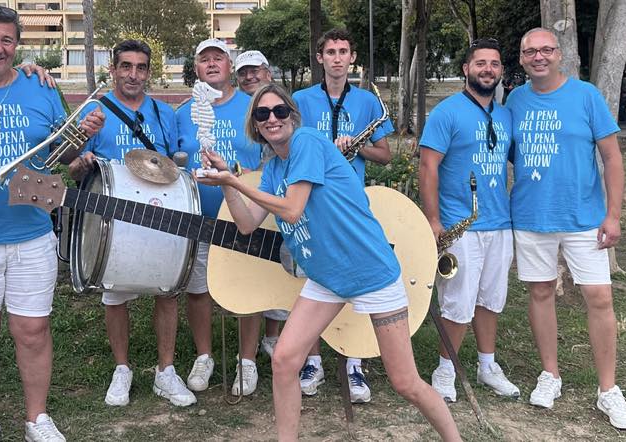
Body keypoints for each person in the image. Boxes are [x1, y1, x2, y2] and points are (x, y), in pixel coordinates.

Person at [195, 83, 461, 442]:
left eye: (279, 111)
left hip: (372, 273)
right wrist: (228, 180)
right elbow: (245, 224)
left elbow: (292, 209)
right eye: (262, 114)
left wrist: (236, 183)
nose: (272, 119)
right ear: (255, 125)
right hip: (327, 279)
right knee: (285, 360)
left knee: (405, 382)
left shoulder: (306, 142)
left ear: (292, 115)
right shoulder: (273, 169)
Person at [0, 4, 104, 441]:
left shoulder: (40, 88)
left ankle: (37, 418)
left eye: (7, 40)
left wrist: (83, 137)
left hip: (32, 232)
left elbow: (61, 156)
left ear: (18, 45)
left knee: (32, 329)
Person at [505, 27, 626, 430]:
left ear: (559, 55)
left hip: (584, 218)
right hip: (532, 215)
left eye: (546, 50)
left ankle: (608, 390)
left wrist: (613, 215)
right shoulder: (514, 100)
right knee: (541, 291)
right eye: (531, 51)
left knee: (598, 298)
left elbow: (611, 158)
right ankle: (550, 375)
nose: (539, 56)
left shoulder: (586, 96)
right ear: (523, 58)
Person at [67, 40, 194, 407]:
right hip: (114, 216)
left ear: (148, 71)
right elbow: (72, 165)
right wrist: (81, 162)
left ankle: (165, 371)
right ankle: (122, 369)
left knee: (167, 289)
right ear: (114, 69)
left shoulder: (163, 113)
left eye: (140, 67)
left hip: (159, 209)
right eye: (126, 66)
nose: (133, 74)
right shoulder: (96, 110)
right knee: (115, 293)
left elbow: (173, 163)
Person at [290, 28, 393, 402]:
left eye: (343, 51)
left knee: (354, 281)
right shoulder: (300, 100)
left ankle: (354, 363)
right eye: (330, 51)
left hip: (350, 207)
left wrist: (358, 148)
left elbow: (386, 155)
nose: (337, 58)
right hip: (311, 203)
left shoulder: (365, 102)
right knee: (312, 280)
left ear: (352, 58)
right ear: (320, 58)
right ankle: (312, 362)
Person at [418, 37, 520, 403]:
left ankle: (487, 365)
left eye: (494, 63)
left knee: (491, 299)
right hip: (459, 224)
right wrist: (433, 220)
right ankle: (445, 369)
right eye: (480, 63)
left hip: (499, 223)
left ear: (501, 72)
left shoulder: (505, 114)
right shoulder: (446, 112)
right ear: (466, 69)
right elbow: (428, 167)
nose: (487, 69)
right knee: (458, 302)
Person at [174, 38, 264, 396]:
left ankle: (247, 360)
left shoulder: (253, 106)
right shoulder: (183, 112)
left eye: (219, 59)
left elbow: (269, 159)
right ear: (196, 69)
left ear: (230, 67)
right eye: (204, 60)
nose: (212, 65)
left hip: (244, 214)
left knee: (248, 288)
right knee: (198, 290)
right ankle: (204, 356)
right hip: (199, 214)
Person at [232, 49, 289, 389]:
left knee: (282, 277)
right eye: (244, 73)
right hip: (252, 201)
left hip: (277, 203)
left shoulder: (282, 113)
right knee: (252, 281)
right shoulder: (240, 109)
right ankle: (248, 358)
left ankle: (276, 339)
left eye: (256, 71)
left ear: (268, 72)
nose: (250, 77)